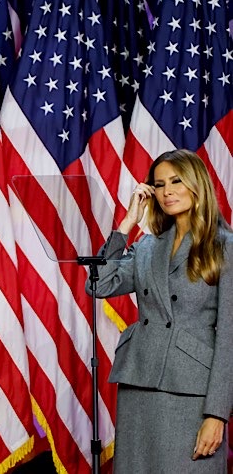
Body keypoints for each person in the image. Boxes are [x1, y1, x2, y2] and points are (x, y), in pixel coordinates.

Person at [89, 149, 231, 472]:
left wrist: (218, 413)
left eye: (176, 181)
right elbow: (98, 284)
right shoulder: (147, 246)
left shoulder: (225, 246)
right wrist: (126, 224)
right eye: (159, 184)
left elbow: (229, 340)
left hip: (192, 393)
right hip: (139, 387)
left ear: (197, 184)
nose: (167, 191)